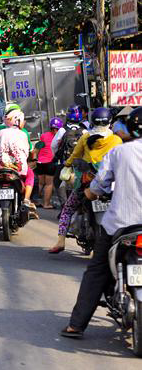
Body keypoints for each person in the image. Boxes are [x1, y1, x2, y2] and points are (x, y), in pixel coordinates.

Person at [60, 106, 142, 339]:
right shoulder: (113, 144)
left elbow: (98, 185)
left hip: (120, 224)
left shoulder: (119, 153)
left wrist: (90, 194)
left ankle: (76, 325)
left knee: (97, 271)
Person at [48, 107, 123, 253]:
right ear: (110, 122)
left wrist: (67, 164)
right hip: (112, 184)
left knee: (67, 209)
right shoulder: (116, 139)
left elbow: (75, 156)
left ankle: (60, 241)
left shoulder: (86, 137)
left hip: (88, 181)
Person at [36, 117, 63, 209]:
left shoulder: (43, 135)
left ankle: (35, 201)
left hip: (40, 162)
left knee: (40, 183)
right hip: (50, 162)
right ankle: (46, 204)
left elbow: (39, 146)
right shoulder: (61, 137)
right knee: (49, 184)